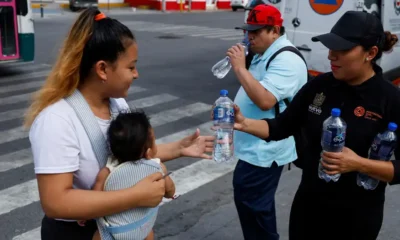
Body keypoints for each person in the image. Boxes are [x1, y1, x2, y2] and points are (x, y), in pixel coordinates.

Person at [24, 8, 214, 240]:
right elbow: (56, 202)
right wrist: (136, 196)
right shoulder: (57, 120)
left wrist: (179, 149)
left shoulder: (118, 105)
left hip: (120, 224)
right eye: (131, 67)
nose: (137, 74)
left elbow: (127, 155)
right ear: (103, 69)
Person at [232, 10, 399, 240]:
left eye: (342, 50)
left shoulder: (389, 99)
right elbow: (280, 126)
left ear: (370, 53)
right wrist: (243, 123)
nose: (331, 56)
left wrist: (359, 164)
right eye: (330, 47)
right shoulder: (319, 86)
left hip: (357, 217)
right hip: (308, 209)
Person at [227, 4, 308, 240]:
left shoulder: (287, 60)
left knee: (255, 208)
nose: (249, 36)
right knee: (252, 205)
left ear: (274, 30)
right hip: (254, 145)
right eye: (248, 31)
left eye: (256, 32)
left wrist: (240, 68)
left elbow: (264, 100)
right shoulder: (264, 52)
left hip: (266, 149)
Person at [77, 110, 176, 240]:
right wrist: (168, 186)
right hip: (141, 227)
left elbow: (94, 201)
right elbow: (170, 192)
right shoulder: (157, 168)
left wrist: (85, 214)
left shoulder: (107, 172)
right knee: (149, 234)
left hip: (116, 231)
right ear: (149, 149)